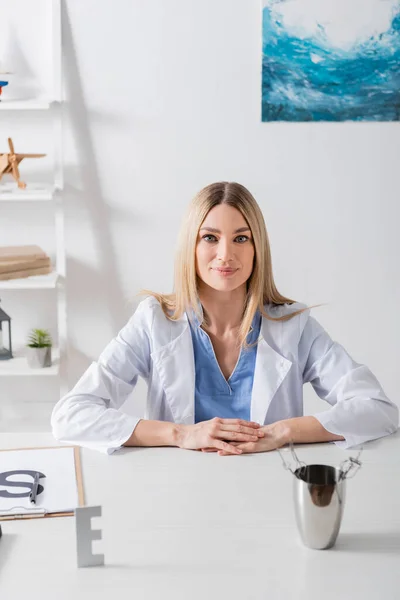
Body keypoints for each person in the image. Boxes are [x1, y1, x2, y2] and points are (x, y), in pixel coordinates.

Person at [51, 182, 398, 455]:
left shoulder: (293, 325)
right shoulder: (154, 321)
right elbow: (71, 416)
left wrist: (281, 432)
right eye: (210, 238)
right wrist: (181, 434)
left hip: (268, 493)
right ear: (191, 246)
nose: (225, 254)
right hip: (176, 494)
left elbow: (378, 409)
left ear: (257, 247)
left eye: (241, 238)